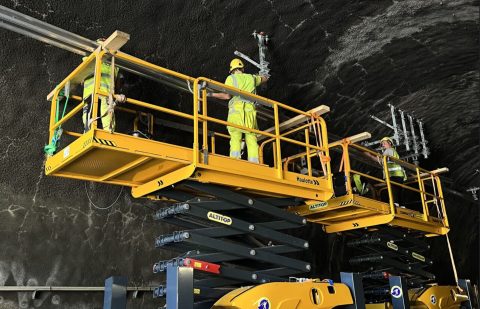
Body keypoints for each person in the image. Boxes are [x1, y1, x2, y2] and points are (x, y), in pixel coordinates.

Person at [211, 58, 268, 163]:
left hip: (236, 114)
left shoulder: (231, 79)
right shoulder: (251, 78)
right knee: (251, 139)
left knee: (235, 138)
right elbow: (264, 78)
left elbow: (227, 95)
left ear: (232, 70)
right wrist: (264, 74)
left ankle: (235, 161)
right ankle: (255, 163)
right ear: (242, 68)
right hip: (250, 114)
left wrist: (210, 94)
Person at [82, 39, 119, 132]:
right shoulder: (90, 59)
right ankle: (103, 132)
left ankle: (108, 133)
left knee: (106, 116)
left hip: (103, 94)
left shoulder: (113, 63)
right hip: (93, 94)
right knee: (92, 116)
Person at [365, 137, 406, 206]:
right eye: (382, 144)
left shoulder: (389, 150)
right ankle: (401, 206)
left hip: (393, 174)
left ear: (389, 143)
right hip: (399, 175)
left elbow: (382, 161)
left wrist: (370, 156)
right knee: (398, 190)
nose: (383, 145)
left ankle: (395, 204)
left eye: (384, 143)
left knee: (393, 190)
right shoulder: (393, 151)